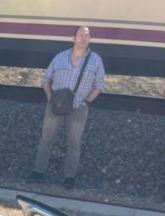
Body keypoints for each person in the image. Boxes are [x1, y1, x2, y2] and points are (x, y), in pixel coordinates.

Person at [27, 25, 106, 189]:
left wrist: (87, 102)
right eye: (80, 35)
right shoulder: (60, 57)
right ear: (73, 38)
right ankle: (38, 172)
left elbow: (99, 85)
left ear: (89, 39)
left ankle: (69, 177)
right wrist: (50, 97)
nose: (83, 38)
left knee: (74, 142)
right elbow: (46, 79)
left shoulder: (95, 60)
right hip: (56, 105)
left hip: (78, 107)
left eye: (87, 35)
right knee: (46, 139)